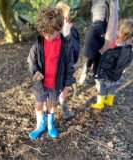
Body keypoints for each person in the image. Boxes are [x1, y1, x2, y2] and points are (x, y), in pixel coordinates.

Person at [27, 5, 75, 139]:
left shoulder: (65, 46)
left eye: (51, 33)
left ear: (59, 28)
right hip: (40, 83)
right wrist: (35, 71)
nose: (47, 36)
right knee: (38, 104)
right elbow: (31, 61)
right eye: (45, 32)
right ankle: (40, 125)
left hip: (55, 83)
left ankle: (50, 124)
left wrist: (67, 85)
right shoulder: (38, 43)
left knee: (51, 104)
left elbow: (69, 67)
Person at [91, 19, 133, 109]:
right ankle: (110, 101)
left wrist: (101, 70)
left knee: (102, 85)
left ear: (121, 33)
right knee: (113, 85)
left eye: (118, 29)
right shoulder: (129, 47)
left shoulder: (116, 48)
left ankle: (101, 103)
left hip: (108, 72)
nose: (116, 31)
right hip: (117, 71)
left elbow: (107, 61)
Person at [79, 0, 119, 86]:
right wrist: (103, 38)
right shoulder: (100, 3)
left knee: (97, 59)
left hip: (99, 34)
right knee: (91, 59)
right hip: (96, 35)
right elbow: (97, 24)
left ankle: (95, 78)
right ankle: (85, 78)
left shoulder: (107, 3)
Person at [56, 1, 80, 119]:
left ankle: (49, 107)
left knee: (57, 85)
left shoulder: (54, 28)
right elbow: (75, 49)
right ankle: (65, 110)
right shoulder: (70, 29)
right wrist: (73, 62)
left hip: (56, 63)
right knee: (63, 86)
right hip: (64, 64)